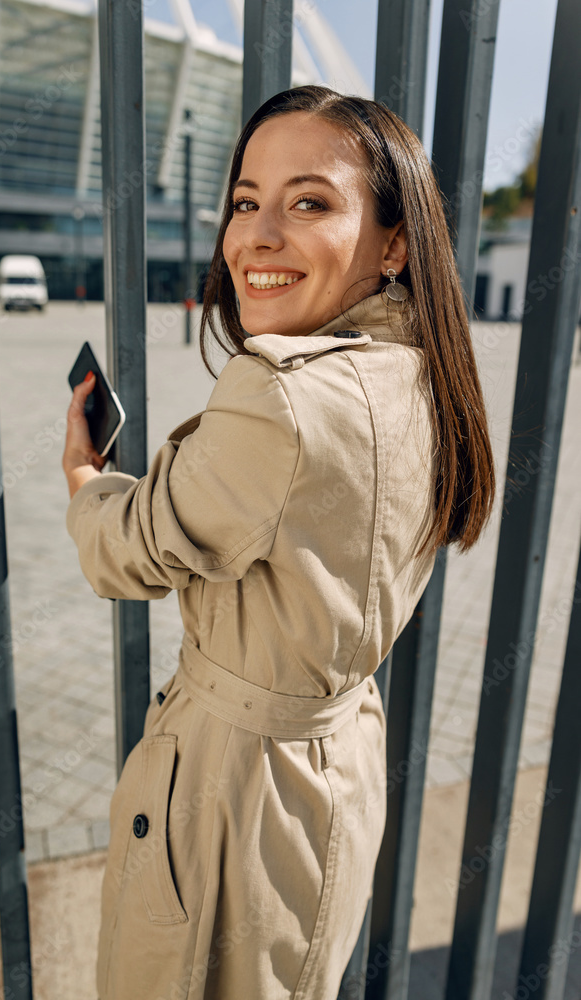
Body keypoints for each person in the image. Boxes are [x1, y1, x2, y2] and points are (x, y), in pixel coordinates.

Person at [62, 85, 495, 1000]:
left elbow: (127, 551)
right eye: (245, 200)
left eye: (309, 202)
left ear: (393, 243)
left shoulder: (283, 396)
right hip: (332, 764)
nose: (255, 235)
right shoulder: (418, 375)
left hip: (234, 791)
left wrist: (85, 479)